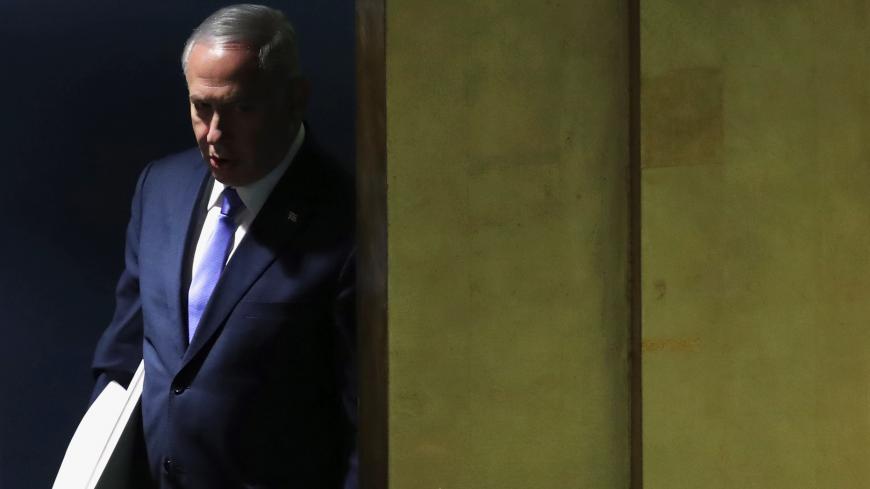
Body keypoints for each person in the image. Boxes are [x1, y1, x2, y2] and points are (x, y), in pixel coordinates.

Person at [90, 5, 357, 488]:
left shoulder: (349, 221)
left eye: (242, 109)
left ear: (296, 99)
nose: (214, 135)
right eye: (201, 107)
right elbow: (124, 356)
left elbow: (364, 424)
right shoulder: (160, 188)